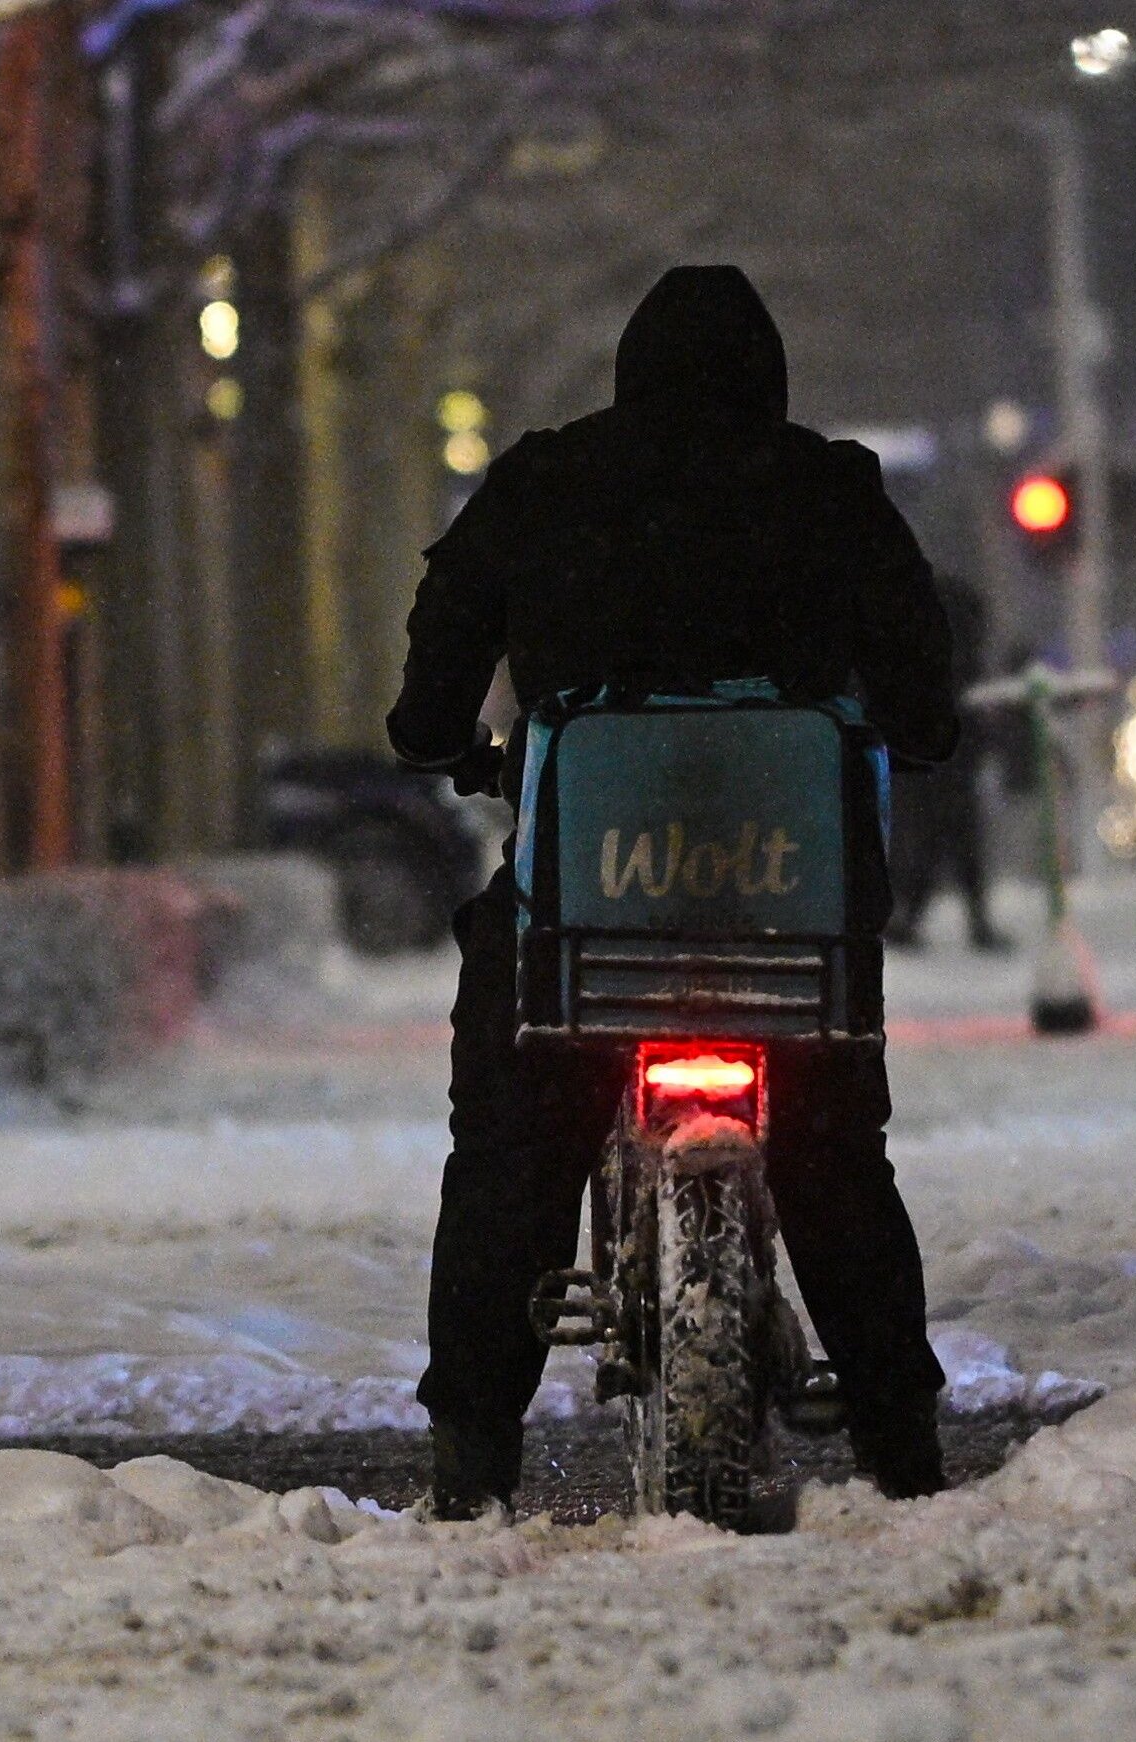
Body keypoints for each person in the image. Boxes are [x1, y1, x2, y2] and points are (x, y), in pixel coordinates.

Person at [385, 264, 961, 1519]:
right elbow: (924, 699)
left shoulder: (545, 481)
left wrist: (436, 735)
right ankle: (900, 1436)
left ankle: (474, 1448)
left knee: (508, 1155)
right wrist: (897, 730)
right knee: (835, 1160)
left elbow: (443, 641)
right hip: (789, 919)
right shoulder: (831, 490)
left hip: (589, 914)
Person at [885, 576, 1008, 952]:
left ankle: (910, 917)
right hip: (954, 759)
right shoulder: (964, 656)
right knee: (956, 840)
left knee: (925, 840)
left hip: (924, 759)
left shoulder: (914, 651)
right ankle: (968, 920)